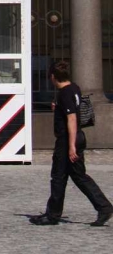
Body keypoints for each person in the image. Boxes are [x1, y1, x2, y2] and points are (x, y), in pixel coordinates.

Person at [30, 60, 113, 226]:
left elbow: (72, 118)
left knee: (58, 177)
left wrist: (71, 146)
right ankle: (104, 207)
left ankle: (53, 215)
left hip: (68, 139)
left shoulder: (65, 93)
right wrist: (58, 108)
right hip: (75, 137)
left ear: (53, 77)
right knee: (78, 176)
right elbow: (72, 110)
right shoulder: (74, 88)